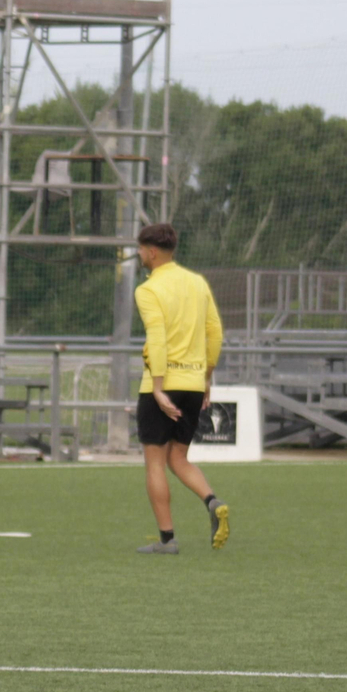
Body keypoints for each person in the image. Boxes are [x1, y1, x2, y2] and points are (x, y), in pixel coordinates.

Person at [131, 222, 230, 554]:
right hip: (192, 384)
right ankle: (213, 502)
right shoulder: (197, 282)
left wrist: (158, 388)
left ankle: (167, 540)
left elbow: (157, 338)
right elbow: (214, 332)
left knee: (155, 463)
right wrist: (206, 378)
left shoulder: (148, 290)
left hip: (162, 384)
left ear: (152, 252)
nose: (139, 254)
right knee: (179, 457)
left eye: (141, 249)